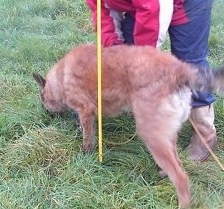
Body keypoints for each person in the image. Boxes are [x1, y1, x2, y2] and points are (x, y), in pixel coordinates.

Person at [86, 0, 216, 162]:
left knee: (190, 62)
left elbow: (155, 10)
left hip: (186, 4)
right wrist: (114, 49)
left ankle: (204, 131)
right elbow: (102, 11)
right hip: (141, 5)